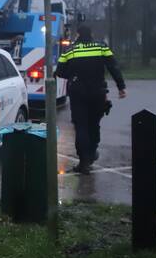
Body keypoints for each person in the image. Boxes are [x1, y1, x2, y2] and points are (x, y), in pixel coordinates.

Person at [54, 25, 126, 174]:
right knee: (94, 125)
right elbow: (113, 66)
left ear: (78, 34)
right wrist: (121, 87)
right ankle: (92, 153)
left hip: (78, 93)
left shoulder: (70, 50)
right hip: (97, 92)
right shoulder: (101, 47)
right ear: (91, 34)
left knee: (81, 126)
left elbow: (59, 71)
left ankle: (84, 162)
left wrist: (73, 76)